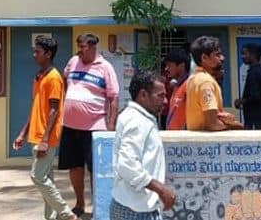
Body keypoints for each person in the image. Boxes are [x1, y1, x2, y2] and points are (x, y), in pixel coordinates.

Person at [12, 36, 78, 220]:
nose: (34, 55)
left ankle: (66, 214)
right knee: (47, 178)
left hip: (45, 137)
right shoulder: (39, 77)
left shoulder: (54, 78)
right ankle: (51, 217)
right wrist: (23, 133)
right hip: (36, 134)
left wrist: (45, 140)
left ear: (48, 54)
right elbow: (36, 108)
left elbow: (55, 110)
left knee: (37, 177)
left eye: (38, 52)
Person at [60, 33, 119, 217]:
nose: (80, 51)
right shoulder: (72, 62)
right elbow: (64, 82)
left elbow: (113, 98)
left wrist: (110, 128)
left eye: (83, 48)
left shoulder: (105, 67)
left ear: (93, 48)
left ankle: (99, 207)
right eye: (78, 47)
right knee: (75, 167)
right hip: (70, 126)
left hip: (95, 128)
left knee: (97, 170)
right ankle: (79, 204)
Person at [110, 70, 175, 219]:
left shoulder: (138, 117)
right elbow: (127, 164)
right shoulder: (137, 121)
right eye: (160, 96)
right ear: (143, 95)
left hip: (134, 207)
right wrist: (161, 189)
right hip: (135, 212)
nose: (165, 101)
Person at [185, 36, 243, 131]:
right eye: (217, 55)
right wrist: (235, 126)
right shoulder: (205, 82)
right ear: (204, 57)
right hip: (206, 142)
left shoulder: (194, 78)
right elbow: (212, 124)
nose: (222, 58)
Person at [234, 43, 261, 130]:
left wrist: (240, 101)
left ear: (253, 55)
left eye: (244, 53)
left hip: (255, 119)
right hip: (259, 117)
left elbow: (255, 96)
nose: (242, 56)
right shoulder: (258, 70)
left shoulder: (255, 72)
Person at [164, 48, 190, 130]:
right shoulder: (177, 86)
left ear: (181, 66)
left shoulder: (189, 85)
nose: (166, 69)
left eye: (169, 65)